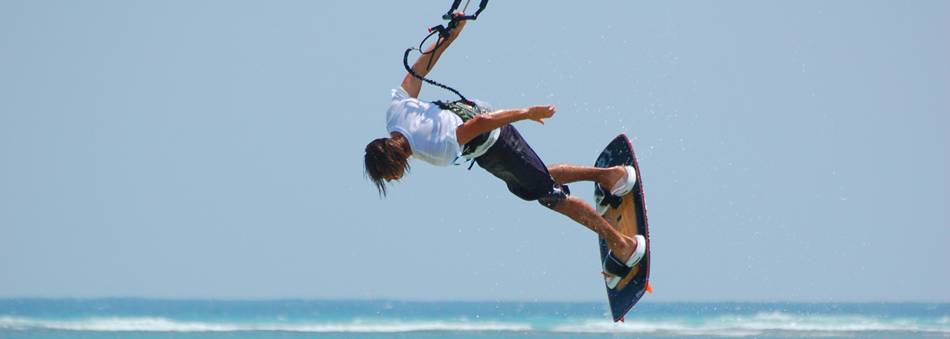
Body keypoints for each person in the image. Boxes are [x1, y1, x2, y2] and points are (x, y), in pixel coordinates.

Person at [363, 18, 645, 288]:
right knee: (532, 184)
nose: (392, 180)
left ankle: (623, 245)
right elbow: (420, 68)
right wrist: (450, 35)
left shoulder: (434, 148)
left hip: (496, 142)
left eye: (388, 177)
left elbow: (480, 125)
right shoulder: (394, 114)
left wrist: (525, 113)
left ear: (393, 163)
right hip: (485, 146)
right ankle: (610, 177)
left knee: (550, 195)